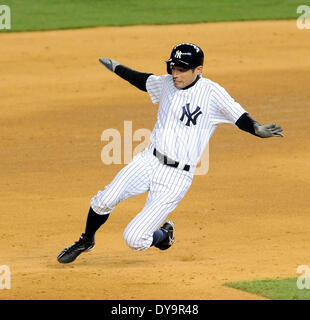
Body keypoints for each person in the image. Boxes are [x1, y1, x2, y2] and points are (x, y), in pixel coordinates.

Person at [57, 43, 283, 264]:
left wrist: (256, 128)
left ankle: (164, 236)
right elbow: (142, 80)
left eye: (182, 69)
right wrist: (117, 68)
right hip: (149, 160)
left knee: (134, 239)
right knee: (103, 200)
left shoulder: (212, 93)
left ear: (199, 70)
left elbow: (239, 115)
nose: (176, 74)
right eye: (173, 68)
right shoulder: (166, 84)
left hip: (176, 178)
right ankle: (86, 240)